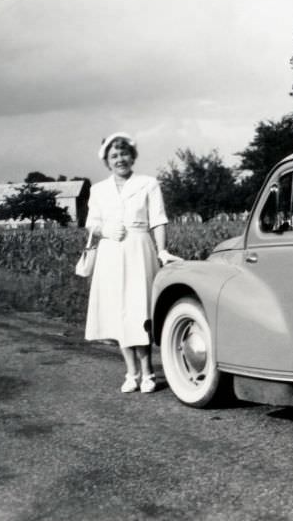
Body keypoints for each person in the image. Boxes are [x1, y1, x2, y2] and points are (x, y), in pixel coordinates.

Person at [84, 132, 182, 393]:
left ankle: (148, 372)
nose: (120, 159)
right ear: (107, 160)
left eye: (124, 154)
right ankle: (131, 373)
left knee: (139, 311)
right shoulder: (98, 190)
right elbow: (91, 224)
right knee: (117, 312)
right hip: (111, 253)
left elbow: (158, 220)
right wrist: (105, 231)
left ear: (132, 156)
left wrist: (162, 251)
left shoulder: (148, 184)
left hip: (139, 249)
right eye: (114, 155)